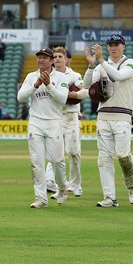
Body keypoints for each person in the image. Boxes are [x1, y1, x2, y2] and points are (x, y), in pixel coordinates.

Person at [83, 34, 133, 207]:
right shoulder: (100, 67)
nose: (113, 48)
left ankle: (132, 187)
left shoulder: (131, 63)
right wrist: (91, 65)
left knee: (123, 156)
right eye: (110, 45)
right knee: (104, 158)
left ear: (123, 46)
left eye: (116, 44)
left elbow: (119, 76)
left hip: (122, 116)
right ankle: (110, 197)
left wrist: (101, 61)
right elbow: (86, 86)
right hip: (104, 115)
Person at [17, 47, 69, 208]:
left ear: (52, 61)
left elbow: (63, 99)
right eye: (39, 57)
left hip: (54, 122)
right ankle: (41, 198)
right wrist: (35, 85)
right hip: (36, 122)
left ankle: (62, 188)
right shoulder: (31, 76)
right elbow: (20, 98)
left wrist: (48, 85)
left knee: (56, 160)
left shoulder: (61, 77)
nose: (41, 60)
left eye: (44, 58)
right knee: (36, 162)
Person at [46, 47, 87, 198]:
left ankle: (76, 185)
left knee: (73, 152)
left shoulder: (74, 75)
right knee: (54, 151)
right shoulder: (49, 75)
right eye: (54, 57)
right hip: (54, 116)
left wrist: (69, 94)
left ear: (66, 59)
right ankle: (52, 182)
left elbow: (84, 91)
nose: (57, 59)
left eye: (59, 56)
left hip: (70, 115)